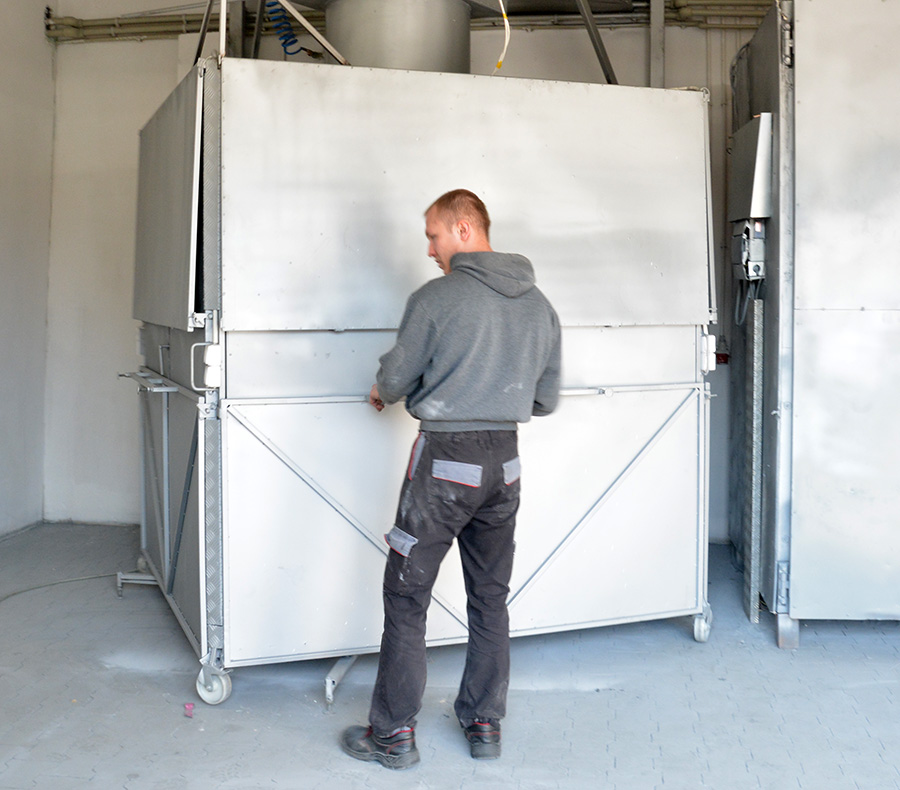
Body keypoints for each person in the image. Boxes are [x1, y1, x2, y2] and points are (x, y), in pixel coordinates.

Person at [340, 189, 561, 769]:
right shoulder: (540, 305)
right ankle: (484, 722)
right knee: (489, 596)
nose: (430, 250)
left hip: (444, 464)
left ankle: (392, 735)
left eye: (434, 236)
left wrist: (384, 389)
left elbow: (395, 378)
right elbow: (545, 399)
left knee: (407, 595)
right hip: (506, 466)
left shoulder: (436, 298)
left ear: (464, 229)